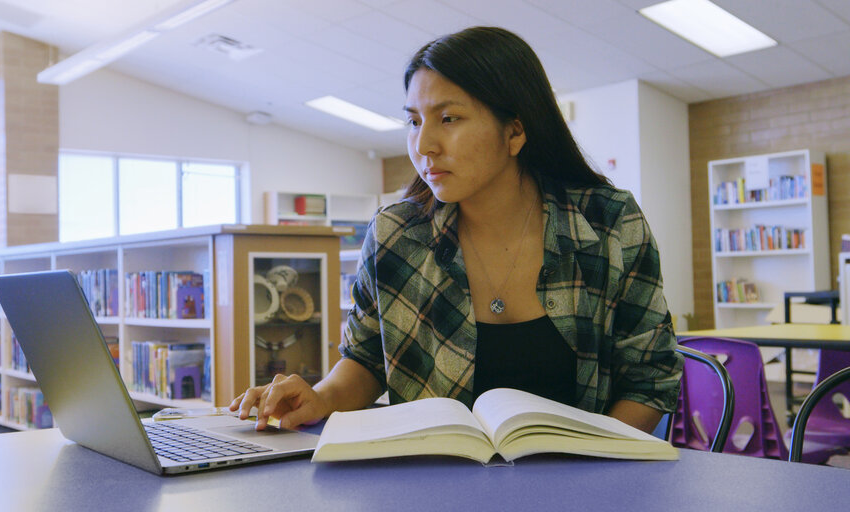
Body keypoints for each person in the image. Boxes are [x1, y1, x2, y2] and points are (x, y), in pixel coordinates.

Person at [231, 26, 684, 434]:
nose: (423, 144)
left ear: (515, 132)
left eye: (448, 118)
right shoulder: (395, 235)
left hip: (583, 497)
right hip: (435, 489)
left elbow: (649, 379)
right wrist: (321, 396)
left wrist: (592, 459)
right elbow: (368, 360)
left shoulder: (607, 223)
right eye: (413, 121)